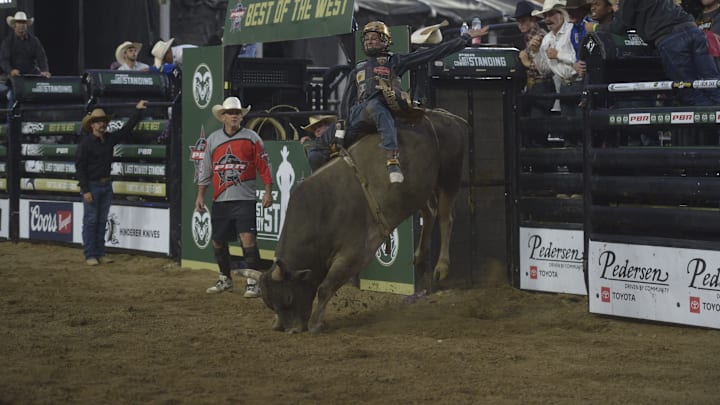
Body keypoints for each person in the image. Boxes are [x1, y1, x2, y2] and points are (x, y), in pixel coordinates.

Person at [344, 21, 484, 184]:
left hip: (382, 109)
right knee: (323, 144)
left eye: (374, 38)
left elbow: (433, 53)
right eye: (366, 38)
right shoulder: (357, 69)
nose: (369, 41)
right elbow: (347, 99)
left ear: (385, 41)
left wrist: (464, 38)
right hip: (359, 114)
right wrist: (340, 127)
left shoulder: (395, 61)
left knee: (377, 107)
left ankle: (392, 160)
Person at [195, 96, 273, 297]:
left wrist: (267, 191)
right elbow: (205, 170)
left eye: (238, 113)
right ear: (223, 117)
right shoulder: (212, 139)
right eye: (231, 113)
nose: (235, 116)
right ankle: (225, 278)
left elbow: (264, 165)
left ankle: (252, 282)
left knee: (248, 239)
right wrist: (200, 195)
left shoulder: (252, 137)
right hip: (220, 199)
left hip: (244, 198)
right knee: (218, 241)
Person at [591, 0, 720, 105]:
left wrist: (594, 27)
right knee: (712, 83)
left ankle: (712, 126)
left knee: (688, 91)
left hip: (670, 38)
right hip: (693, 30)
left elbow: (619, 26)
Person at [75, 100, 148, 266]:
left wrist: (137, 111)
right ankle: (90, 254)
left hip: (105, 185)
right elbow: (80, 168)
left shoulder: (107, 139)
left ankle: (99, 253)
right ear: (92, 125)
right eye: (99, 122)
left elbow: (126, 129)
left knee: (100, 221)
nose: (103, 124)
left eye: (104, 121)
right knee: (92, 221)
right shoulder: (86, 144)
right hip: (93, 186)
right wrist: (85, 190)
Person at [0, 11, 50, 79]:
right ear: (15, 25)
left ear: (26, 25)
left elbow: (41, 57)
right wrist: (10, 70)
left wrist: (44, 70)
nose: (21, 25)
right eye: (19, 22)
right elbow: (4, 60)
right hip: (13, 74)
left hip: (31, 72)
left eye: (23, 23)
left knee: (43, 81)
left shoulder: (34, 41)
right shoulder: (7, 42)